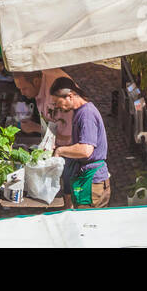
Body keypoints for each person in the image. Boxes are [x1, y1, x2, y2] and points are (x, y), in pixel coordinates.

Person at [48, 76, 110, 209]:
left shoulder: (86, 114)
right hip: (87, 178)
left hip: (93, 182)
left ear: (69, 96)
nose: (57, 107)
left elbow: (86, 150)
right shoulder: (80, 112)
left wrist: (60, 150)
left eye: (57, 102)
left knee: (88, 225)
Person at [11, 69, 74, 146]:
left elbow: (65, 138)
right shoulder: (40, 85)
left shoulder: (56, 94)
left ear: (36, 81)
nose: (22, 93)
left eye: (24, 88)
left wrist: (36, 127)